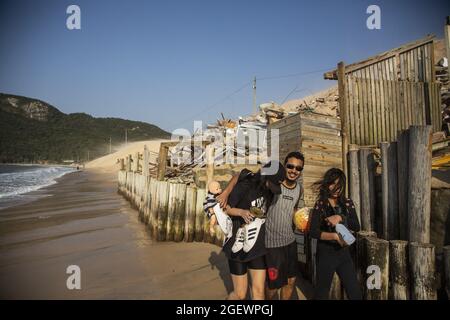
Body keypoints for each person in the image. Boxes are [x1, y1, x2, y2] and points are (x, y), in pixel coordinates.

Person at [222, 161, 285, 300]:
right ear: (265, 176)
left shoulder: (269, 191)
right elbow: (227, 208)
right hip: (237, 244)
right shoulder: (246, 185)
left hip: (257, 245)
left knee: (258, 292)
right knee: (240, 294)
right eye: (272, 183)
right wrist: (241, 212)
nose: (273, 189)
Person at [309, 168, 362, 300]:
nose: (337, 188)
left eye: (340, 185)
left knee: (355, 293)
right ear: (327, 184)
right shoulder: (321, 204)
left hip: (344, 254)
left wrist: (340, 217)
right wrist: (334, 236)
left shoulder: (348, 203)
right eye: (333, 184)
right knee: (321, 294)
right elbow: (313, 232)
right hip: (326, 253)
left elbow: (356, 226)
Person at [264, 151, 305, 300]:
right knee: (273, 286)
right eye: (290, 166)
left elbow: (295, 210)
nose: (294, 170)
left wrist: (301, 221)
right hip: (272, 245)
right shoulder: (273, 185)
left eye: (298, 168)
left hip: (290, 242)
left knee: (290, 281)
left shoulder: (299, 189)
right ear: (285, 165)